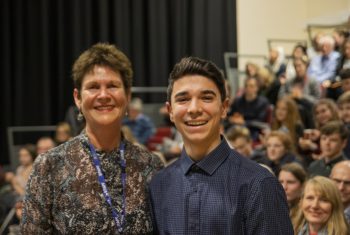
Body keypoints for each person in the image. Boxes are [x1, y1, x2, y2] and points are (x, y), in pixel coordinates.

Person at [21, 43, 163, 234]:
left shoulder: (150, 166)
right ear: (78, 98)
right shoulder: (50, 166)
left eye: (112, 85)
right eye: (93, 87)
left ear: (128, 95)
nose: (103, 95)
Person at [148, 57, 293, 234]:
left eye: (206, 97)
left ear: (224, 107)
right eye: (183, 99)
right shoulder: (158, 185)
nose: (194, 108)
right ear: (170, 111)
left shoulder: (260, 184)